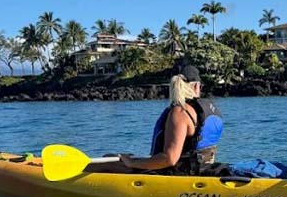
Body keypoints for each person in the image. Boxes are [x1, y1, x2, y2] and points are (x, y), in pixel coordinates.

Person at [87, 63, 223, 175]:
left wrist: (132, 163)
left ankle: (70, 181)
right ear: (195, 86)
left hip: (178, 173)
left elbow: (169, 159)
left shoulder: (181, 112)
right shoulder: (210, 109)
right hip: (202, 169)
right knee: (110, 156)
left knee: (107, 164)